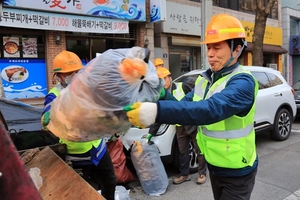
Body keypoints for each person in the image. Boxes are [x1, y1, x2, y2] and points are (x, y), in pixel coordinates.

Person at [125, 13, 259, 200]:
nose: (210, 53)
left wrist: (156, 112)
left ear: (237, 49)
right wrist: (161, 93)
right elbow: (182, 108)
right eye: (209, 47)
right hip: (216, 166)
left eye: (217, 47)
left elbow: (209, 110)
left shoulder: (243, 83)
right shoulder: (205, 81)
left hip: (238, 171)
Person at [41, 50, 116, 200]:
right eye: (69, 73)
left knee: (110, 182)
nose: (74, 76)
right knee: (81, 191)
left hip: (98, 149)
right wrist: (48, 116)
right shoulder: (54, 95)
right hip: (75, 155)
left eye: (76, 72)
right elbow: (46, 118)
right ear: (59, 76)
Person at [154, 67, 207, 185]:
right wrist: (150, 134)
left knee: (199, 149)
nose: (162, 82)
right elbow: (160, 113)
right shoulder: (161, 94)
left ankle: (202, 173)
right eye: (159, 80)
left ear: (170, 78)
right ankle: (184, 174)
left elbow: (196, 99)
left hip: (191, 123)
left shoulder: (182, 86)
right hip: (179, 126)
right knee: (182, 152)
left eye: (164, 78)